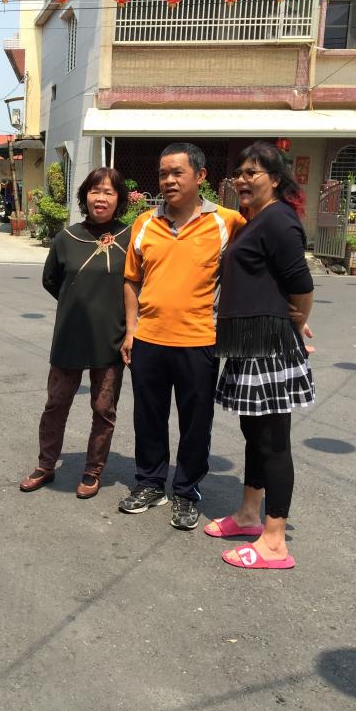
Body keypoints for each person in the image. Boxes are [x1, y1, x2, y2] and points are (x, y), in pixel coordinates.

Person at [119, 143, 246, 529]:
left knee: (195, 423)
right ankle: (150, 483)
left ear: (200, 176)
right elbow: (131, 280)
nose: (169, 180)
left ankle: (187, 491)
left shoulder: (228, 222)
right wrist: (131, 330)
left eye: (177, 172)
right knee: (148, 417)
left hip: (200, 340)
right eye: (163, 174)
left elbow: (255, 267)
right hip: (149, 339)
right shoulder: (144, 223)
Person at [203, 141, 315, 570]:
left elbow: (301, 285)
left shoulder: (279, 220)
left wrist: (296, 322)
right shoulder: (257, 219)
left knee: (273, 442)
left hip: (269, 343)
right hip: (248, 341)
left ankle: (274, 542)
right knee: (254, 434)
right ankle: (249, 514)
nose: (242, 180)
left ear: (276, 178)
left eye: (252, 172)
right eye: (239, 173)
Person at [19, 167, 130, 498]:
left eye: (109, 192)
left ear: (119, 199)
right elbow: (51, 280)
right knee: (56, 404)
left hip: (111, 338)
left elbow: (138, 286)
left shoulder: (132, 238)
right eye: (95, 191)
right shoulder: (65, 239)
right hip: (69, 336)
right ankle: (46, 465)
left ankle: (93, 470)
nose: (101, 198)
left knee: (103, 409)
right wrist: (76, 305)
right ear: (84, 196)